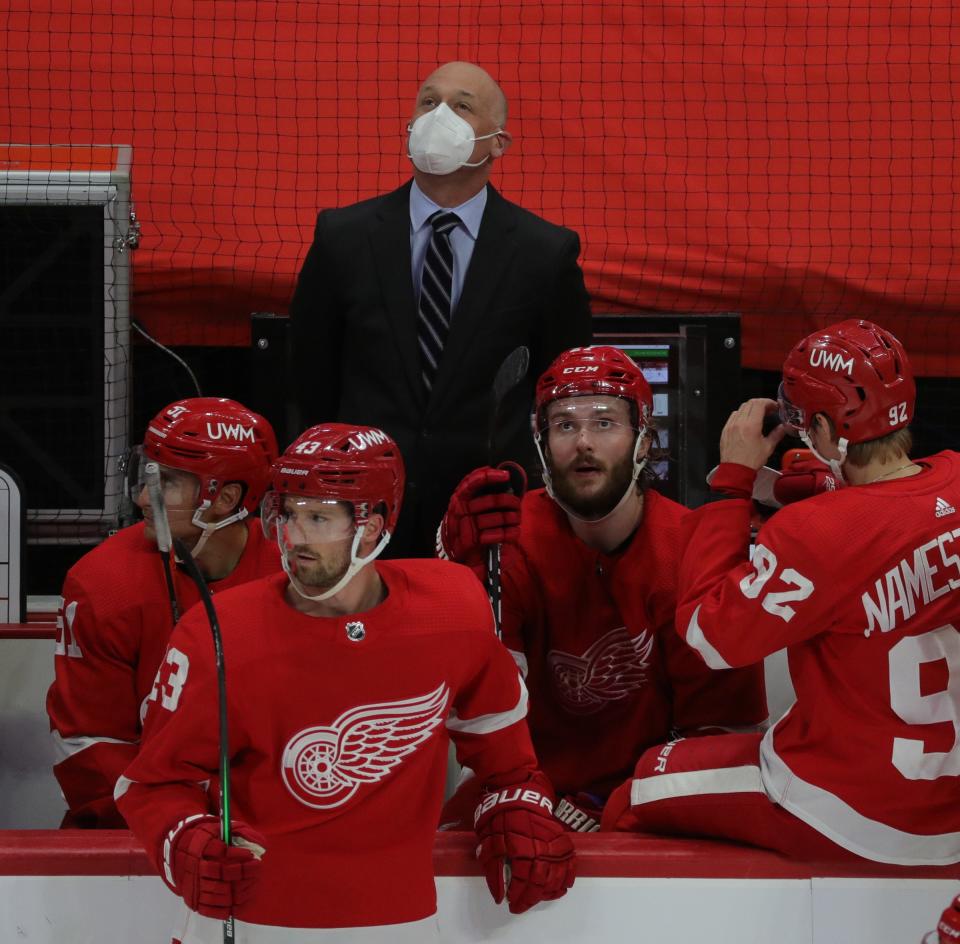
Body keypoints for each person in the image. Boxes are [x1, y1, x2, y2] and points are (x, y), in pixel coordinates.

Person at [115, 423, 575, 943]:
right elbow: (149, 783)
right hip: (251, 925)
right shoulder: (218, 632)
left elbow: (505, 750)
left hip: (403, 926)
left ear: (374, 525)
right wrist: (183, 841)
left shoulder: (450, 609)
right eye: (287, 514)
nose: (295, 536)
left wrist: (514, 802)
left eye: (317, 517)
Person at [603, 319, 960, 866]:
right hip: (946, 807)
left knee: (636, 789)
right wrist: (789, 483)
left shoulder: (815, 533)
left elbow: (709, 634)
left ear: (820, 426)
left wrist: (732, 480)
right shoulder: (953, 479)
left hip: (855, 813)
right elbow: (887, 506)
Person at [437, 346, 768, 830]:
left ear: (643, 439)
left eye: (605, 423)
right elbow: (481, 707)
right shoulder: (509, 538)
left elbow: (719, 734)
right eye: (565, 425)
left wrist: (623, 808)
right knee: (448, 840)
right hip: (527, 782)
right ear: (542, 441)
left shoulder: (689, 548)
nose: (583, 442)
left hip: (650, 793)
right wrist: (457, 566)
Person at [288, 60, 592, 558]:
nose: (439, 116)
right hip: (362, 509)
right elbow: (311, 374)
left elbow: (558, 386)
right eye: (429, 102)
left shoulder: (545, 253)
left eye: (462, 106)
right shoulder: (342, 237)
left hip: (488, 512)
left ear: (498, 142)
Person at [46, 398, 280, 828]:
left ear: (225, 497)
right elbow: (86, 746)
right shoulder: (104, 584)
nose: (141, 498)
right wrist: (179, 824)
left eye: (166, 482)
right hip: (134, 831)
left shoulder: (293, 577)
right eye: (147, 474)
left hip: (268, 825)